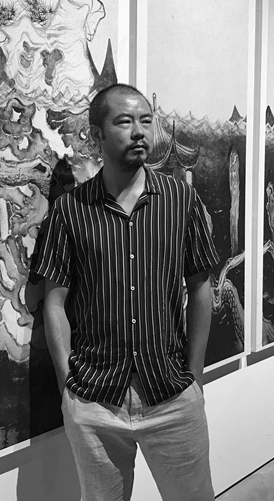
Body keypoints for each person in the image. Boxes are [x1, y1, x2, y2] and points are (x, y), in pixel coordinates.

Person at [32, 83, 218, 501]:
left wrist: (195, 378)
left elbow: (200, 286)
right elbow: (55, 302)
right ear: (97, 134)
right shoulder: (70, 210)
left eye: (146, 121)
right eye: (124, 121)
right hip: (95, 401)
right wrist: (68, 389)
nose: (139, 131)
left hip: (171, 394)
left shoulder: (180, 200)